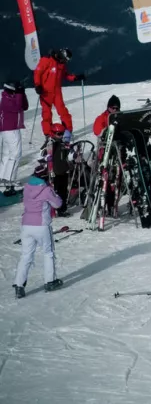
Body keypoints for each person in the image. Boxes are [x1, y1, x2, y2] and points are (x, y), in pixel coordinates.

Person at [13, 159, 63, 297]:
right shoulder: (46, 190)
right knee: (48, 253)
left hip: (26, 225)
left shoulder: (27, 187)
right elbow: (57, 204)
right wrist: (54, 192)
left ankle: (19, 285)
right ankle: (50, 281)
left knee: (26, 255)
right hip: (41, 225)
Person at [32, 49, 72, 139]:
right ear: (61, 56)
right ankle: (48, 133)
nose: (65, 62)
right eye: (65, 59)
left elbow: (65, 75)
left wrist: (75, 77)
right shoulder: (46, 60)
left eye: (67, 60)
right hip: (46, 92)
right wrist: (37, 85)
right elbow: (37, 72)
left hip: (57, 92)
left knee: (63, 111)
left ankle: (67, 131)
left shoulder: (61, 64)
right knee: (47, 113)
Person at [1, 81, 28, 193]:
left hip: (11, 129)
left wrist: (23, 93)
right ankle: (10, 181)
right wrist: (19, 94)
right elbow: (17, 107)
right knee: (16, 154)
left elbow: (25, 107)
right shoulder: (5, 99)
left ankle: (3, 178)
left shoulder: (12, 96)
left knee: (7, 154)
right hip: (10, 129)